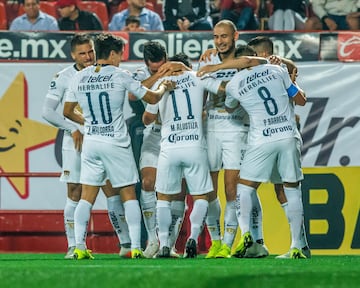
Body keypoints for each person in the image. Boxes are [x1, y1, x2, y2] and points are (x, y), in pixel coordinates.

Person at [62, 33, 175, 260]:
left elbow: (67, 111)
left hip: (92, 142)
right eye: (120, 54)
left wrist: (91, 123)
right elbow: (151, 99)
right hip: (116, 143)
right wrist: (165, 87)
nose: (120, 59)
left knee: (86, 197)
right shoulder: (120, 75)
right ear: (112, 53)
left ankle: (79, 248)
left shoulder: (80, 76)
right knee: (128, 194)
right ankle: (134, 247)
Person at [198, 47, 308, 259]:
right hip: (287, 136)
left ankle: (246, 233)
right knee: (292, 189)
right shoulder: (277, 70)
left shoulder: (234, 84)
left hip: (261, 139)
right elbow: (301, 100)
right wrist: (290, 80)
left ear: (239, 62)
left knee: (244, 188)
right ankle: (297, 246)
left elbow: (230, 108)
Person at [42, 33, 132, 259]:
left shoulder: (104, 72)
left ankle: (125, 243)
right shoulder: (64, 77)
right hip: (76, 142)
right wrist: (72, 128)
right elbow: (48, 112)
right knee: (74, 191)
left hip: (102, 138)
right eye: (82, 53)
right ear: (73, 55)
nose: (87, 56)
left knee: (112, 189)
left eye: (90, 51)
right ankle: (73, 246)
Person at [197, 20, 268, 259]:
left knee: (232, 189)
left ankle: (227, 244)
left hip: (236, 129)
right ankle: (215, 241)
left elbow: (242, 80)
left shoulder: (245, 57)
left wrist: (220, 84)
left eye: (224, 36)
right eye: (216, 37)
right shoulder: (207, 59)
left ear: (235, 36)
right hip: (210, 130)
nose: (219, 41)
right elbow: (202, 86)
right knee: (207, 189)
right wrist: (224, 85)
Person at [247, 35, 311, 259]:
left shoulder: (280, 72)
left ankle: (297, 245)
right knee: (280, 189)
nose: (249, 60)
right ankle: (296, 244)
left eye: (252, 55)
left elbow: (301, 99)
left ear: (264, 55)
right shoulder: (256, 75)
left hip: (281, 137)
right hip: (269, 138)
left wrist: (287, 71)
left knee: (285, 188)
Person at [131, 41, 190, 258]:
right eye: (154, 68)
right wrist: (159, 77)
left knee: (177, 191)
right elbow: (133, 96)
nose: (159, 69)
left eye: (162, 65)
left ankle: (169, 245)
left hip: (179, 135)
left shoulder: (184, 72)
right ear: (147, 64)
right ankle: (153, 240)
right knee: (147, 182)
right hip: (154, 135)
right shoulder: (140, 74)